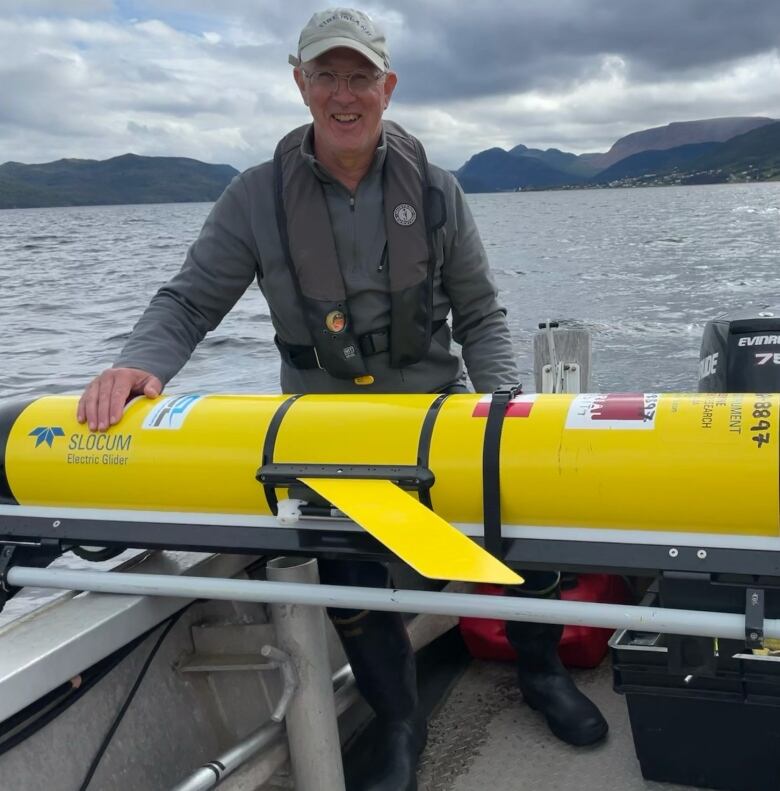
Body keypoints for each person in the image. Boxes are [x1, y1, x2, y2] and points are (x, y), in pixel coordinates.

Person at [77, 8, 607, 790]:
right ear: (300, 84)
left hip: (437, 416)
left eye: (360, 76)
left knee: (518, 521)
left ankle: (541, 672)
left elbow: (481, 315)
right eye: (326, 75)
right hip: (326, 430)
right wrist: (136, 367)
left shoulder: (436, 190)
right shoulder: (253, 199)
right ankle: (398, 719)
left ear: (387, 87)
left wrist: (502, 411)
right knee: (346, 570)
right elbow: (189, 302)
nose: (344, 94)